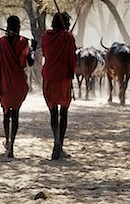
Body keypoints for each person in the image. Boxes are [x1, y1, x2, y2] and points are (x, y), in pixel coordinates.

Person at [0, 15, 34, 158]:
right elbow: (29, 62)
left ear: (7, 27)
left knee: (5, 113)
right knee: (15, 114)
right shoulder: (23, 42)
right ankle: (12, 146)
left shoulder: (2, 42)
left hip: (4, 84)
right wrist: (32, 48)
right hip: (18, 85)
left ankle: (7, 140)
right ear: (19, 28)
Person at [41, 11, 77, 160]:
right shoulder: (68, 37)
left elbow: (45, 52)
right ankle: (60, 145)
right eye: (67, 23)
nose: (69, 25)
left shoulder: (45, 36)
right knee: (64, 112)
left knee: (53, 113)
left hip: (49, 78)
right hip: (63, 78)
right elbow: (72, 58)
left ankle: (55, 139)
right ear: (64, 24)